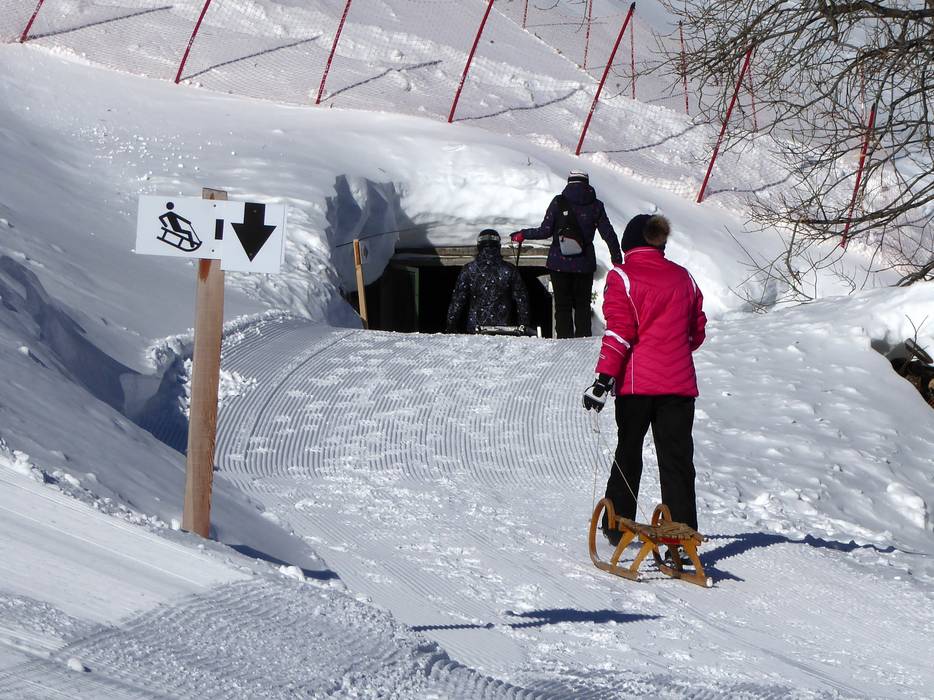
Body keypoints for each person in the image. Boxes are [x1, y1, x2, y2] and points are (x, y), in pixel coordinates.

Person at [581, 214, 707, 545]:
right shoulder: (684, 277)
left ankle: (616, 526)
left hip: (636, 386)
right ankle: (682, 536)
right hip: (679, 386)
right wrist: (672, 349)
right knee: (677, 460)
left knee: (629, 451)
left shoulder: (622, 276)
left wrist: (603, 380)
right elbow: (696, 331)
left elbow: (619, 332)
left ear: (629, 243)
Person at [510, 171, 622, 338]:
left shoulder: (558, 202)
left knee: (563, 306)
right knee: (582, 306)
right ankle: (583, 341)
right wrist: (617, 258)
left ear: (569, 182)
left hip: (559, 263)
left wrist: (523, 234)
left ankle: (564, 342)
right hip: (584, 263)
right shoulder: (596, 205)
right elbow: (608, 233)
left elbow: (545, 231)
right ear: (587, 183)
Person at [446, 229, 530, 333]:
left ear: (479, 246)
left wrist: (451, 326)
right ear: (498, 246)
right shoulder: (509, 269)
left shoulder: (469, 269)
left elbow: (458, 300)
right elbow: (521, 300)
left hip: (475, 329)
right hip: (504, 330)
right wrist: (524, 324)